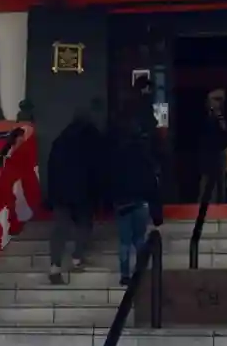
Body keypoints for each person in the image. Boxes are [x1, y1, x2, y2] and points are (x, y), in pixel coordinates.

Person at [45, 99, 106, 284]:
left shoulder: (61, 139)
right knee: (84, 224)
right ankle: (77, 257)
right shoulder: (93, 138)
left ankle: (55, 265)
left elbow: (52, 168)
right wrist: (99, 193)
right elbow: (98, 167)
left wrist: (51, 194)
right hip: (83, 191)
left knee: (60, 228)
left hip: (61, 192)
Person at [110, 85, 163, 287]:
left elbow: (111, 179)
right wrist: (157, 212)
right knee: (139, 239)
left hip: (122, 203)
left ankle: (125, 275)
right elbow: (151, 183)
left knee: (124, 241)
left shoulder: (117, 156)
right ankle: (140, 270)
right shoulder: (144, 156)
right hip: (140, 202)